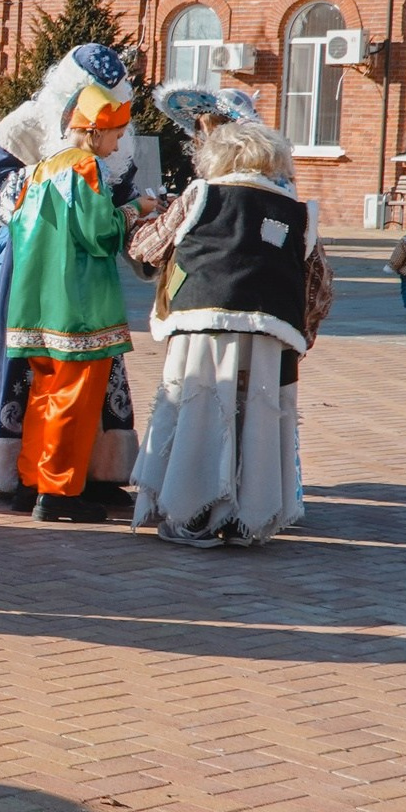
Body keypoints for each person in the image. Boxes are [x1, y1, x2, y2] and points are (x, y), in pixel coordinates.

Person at [0, 45, 144, 503]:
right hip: (39, 266)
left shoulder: (94, 152)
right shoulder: (31, 129)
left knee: (57, 384)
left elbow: (120, 186)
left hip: (68, 272)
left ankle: (85, 473)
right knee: (64, 383)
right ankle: (41, 480)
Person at [127, 120, 329, 547]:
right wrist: (302, 335)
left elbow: (148, 248)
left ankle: (192, 516)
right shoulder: (298, 211)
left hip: (203, 322)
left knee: (200, 411)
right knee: (255, 416)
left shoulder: (201, 195)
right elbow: (319, 284)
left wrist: (134, 217)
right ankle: (245, 520)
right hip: (272, 331)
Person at [1, 78, 156, 523]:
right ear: (93, 131)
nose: (119, 143)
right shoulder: (86, 169)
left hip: (36, 305)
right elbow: (99, 233)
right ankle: (59, 491)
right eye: (116, 134)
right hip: (78, 306)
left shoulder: (38, 169)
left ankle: (31, 483)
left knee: (43, 396)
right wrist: (136, 210)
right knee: (73, 398)